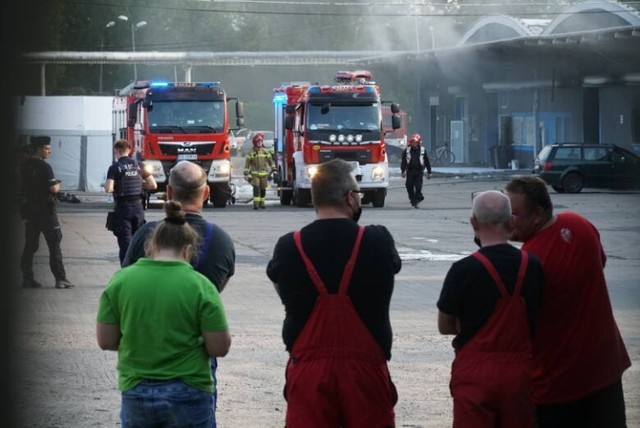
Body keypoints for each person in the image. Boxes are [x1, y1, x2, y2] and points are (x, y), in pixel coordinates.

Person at [266, 158, 401, 427]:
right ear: (350, 198)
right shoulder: (377, 240)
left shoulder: (289, 246)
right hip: (364, 373)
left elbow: (281, 288)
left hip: (309, 373)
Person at [505, 176, 631, 427]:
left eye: (515, 214)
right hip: (604, 368)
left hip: (557, 383)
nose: (508, 221)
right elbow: (599, 264)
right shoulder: (581, 224)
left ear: (538, 214)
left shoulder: (529, 260)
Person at [97, 200, 231, 428]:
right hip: (189, 389)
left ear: (150, 246)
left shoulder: (120, 281)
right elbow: (219, 347)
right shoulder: (201, 286)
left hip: (136, 389)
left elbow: (106, 340)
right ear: (188, 249)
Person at [122, 160, 235, 427]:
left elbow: (128, 284)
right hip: (194, 369)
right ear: (206, 193)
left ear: (169, 192)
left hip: (143, 363)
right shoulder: (221, 240)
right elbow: (218, 291)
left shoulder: (146, 234)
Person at [437, 190, 544, 427]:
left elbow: (444, 326)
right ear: (511, 221)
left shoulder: (463, 270)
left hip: (475, 373)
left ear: (473, 222)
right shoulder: (533, 265)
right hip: (520, 373)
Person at [19, 135, 74, 289]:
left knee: (30, 245)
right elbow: (53, 188)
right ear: (39, 149)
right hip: (46, 212)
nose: (50, 152)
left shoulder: (25, 166)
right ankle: (60, 279)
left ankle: (27, 278)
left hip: (30, 211)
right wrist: (57, 186)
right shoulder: (44, 167)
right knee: (54, 244)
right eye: (47, 148)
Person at [104, 139, 157, 265]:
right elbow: (153, 185)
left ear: (116, 151)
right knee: (139, 242)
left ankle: (127, 272)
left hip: (123, 210)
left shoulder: (114, 168)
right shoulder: (140, 165)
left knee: (125, 244)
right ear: (129, 150)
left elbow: (108, 188)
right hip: (138, 209)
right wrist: (139, 184)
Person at [244, 132, 275, 210]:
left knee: (263, 189)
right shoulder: (251, 152)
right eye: (258, 142)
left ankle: (262, 203)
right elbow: (247, 164)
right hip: (255, 174)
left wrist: (274, 169)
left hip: (264, 174)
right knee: (256, 188)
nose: (260, 143)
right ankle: (256, 204)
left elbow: (270, 161)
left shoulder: (265, 151)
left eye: (261, 142)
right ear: (255, 143)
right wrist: (246, 173)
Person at [400, 133, 432, 208]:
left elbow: (427, 161)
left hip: (419, 172)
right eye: (412, 142)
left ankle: (418, 198)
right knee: (409, 186)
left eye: (415, 142)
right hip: (410, 171)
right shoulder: (406, 151)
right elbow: (403, 162)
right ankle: (413, 199)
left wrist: (429, 172)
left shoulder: (423, 150)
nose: (413, 143)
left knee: (418, 187)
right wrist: (403, 171)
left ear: (418, 142)